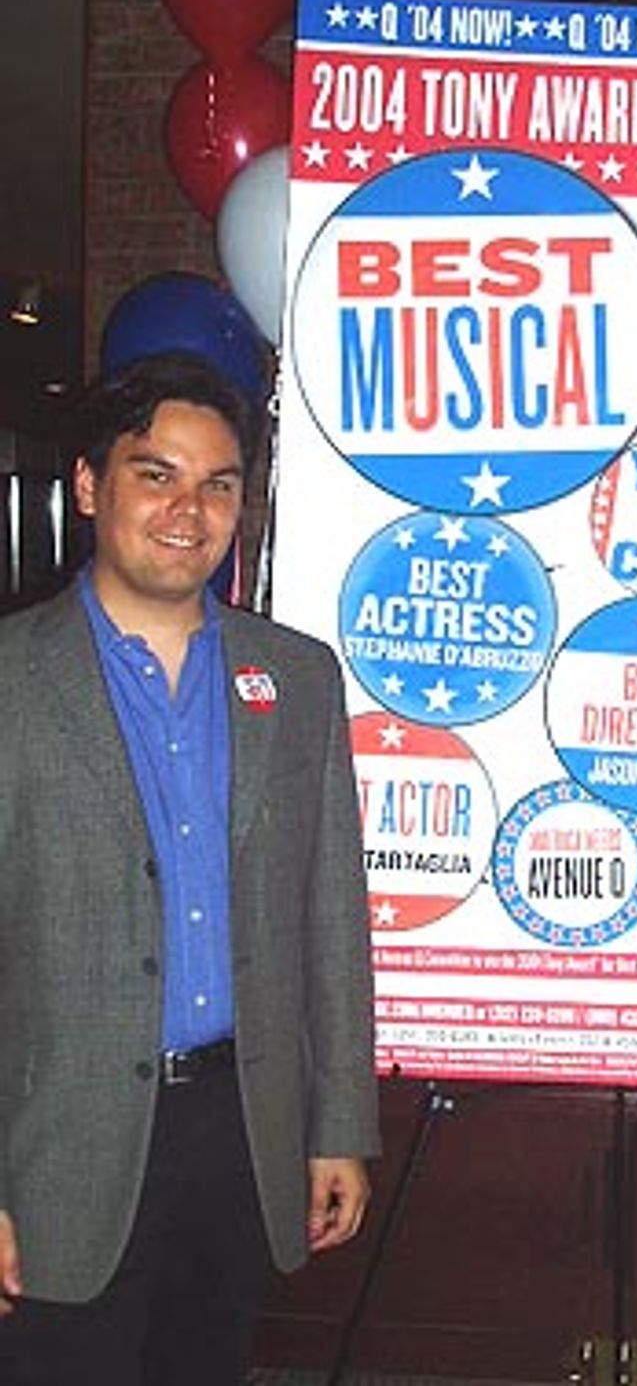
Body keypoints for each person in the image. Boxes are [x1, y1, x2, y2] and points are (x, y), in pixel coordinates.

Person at [0, 352, 380, 1385]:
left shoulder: (295, 679)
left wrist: (338, 1123)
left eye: (218, 484)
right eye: (155, 473)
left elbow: (330, 917)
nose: (188, 509)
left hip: (238, 1135)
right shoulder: (12, 682)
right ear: (89, 487)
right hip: (52, 1144)